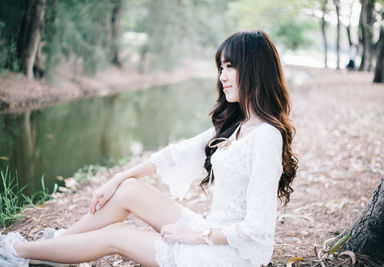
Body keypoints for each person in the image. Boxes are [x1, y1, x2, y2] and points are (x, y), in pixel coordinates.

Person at [0, 30, 298, 267]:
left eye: (230, 67)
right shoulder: (237, 125)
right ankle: (59, 242)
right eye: (221, 67)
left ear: (255, 68)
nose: (221, 76)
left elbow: (257, 230)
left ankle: (19, 253)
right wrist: (115, 180)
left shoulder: (266, 136)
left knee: (114, 235)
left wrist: (199, 236)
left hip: (229, 256)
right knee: (129, 189)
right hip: (210, 231)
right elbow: (176, 153)